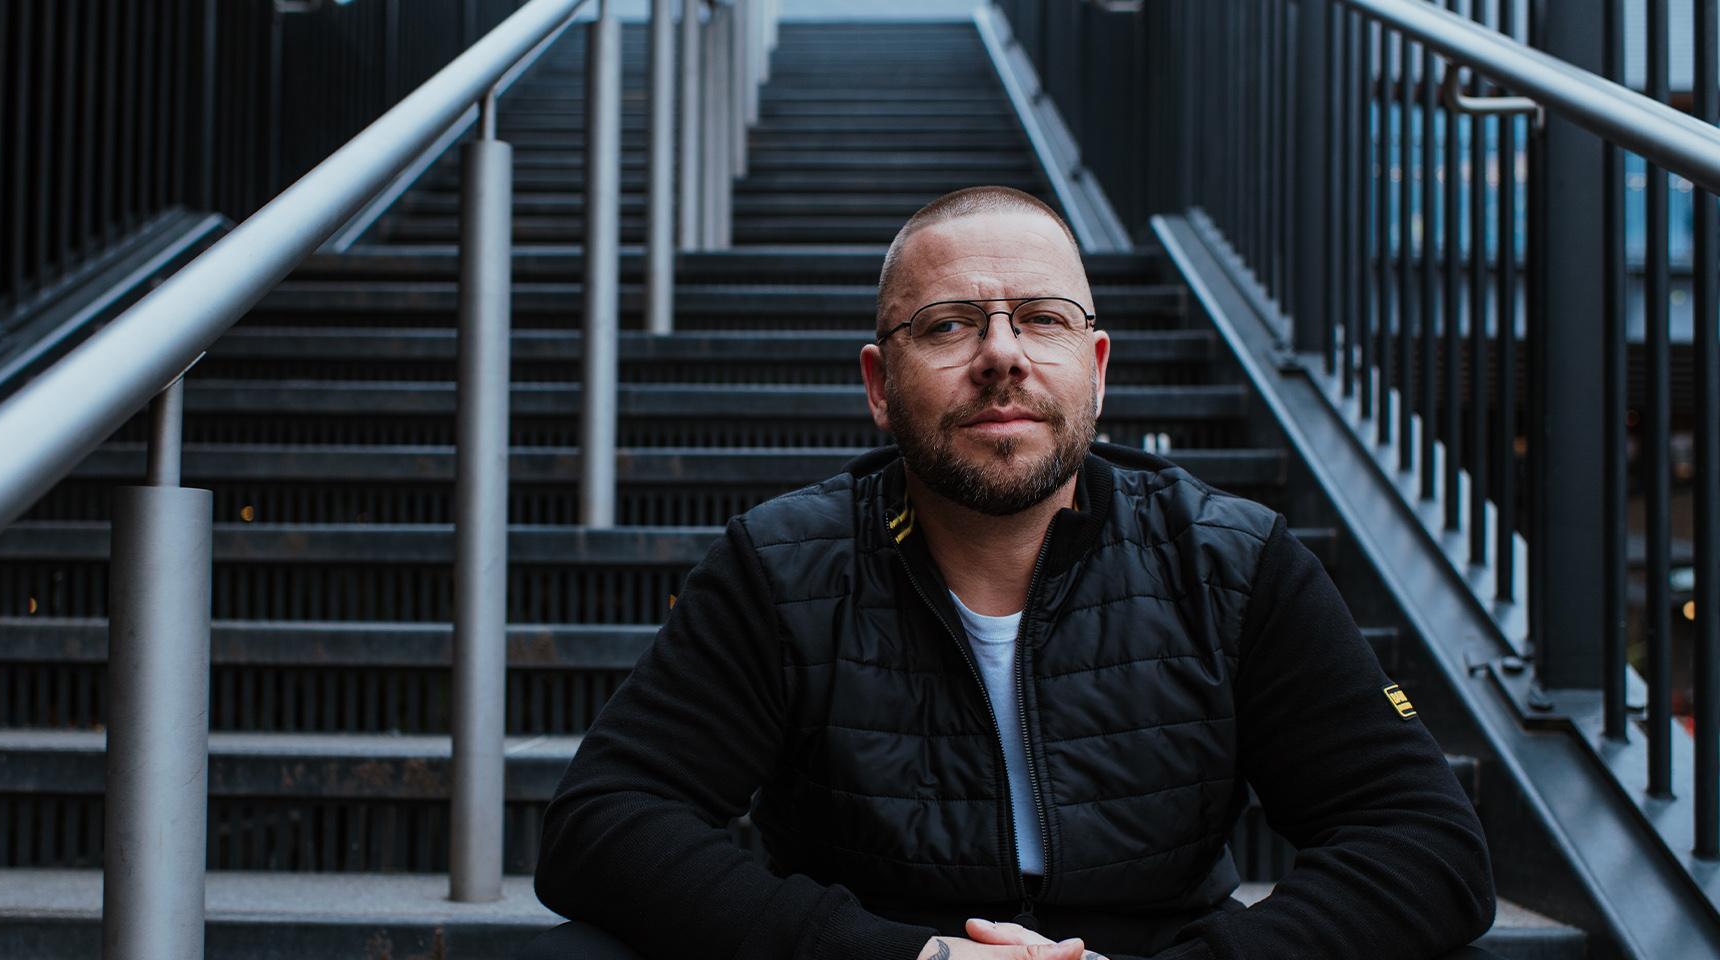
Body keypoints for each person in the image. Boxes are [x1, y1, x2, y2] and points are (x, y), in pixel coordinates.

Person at [523, 186, 1497, 960]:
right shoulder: (783, 568)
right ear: (878, 385)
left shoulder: (1231, 562)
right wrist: (908, 958)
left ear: (1097, 368)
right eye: (949, 324)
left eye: (1040, 319)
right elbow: (606, 823)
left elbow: (1425, 844)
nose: (1002, 355)